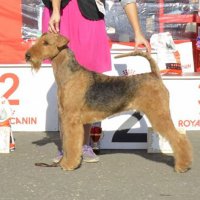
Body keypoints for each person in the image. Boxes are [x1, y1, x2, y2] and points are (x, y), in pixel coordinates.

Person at [41, 0, 151, 163]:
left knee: (88, 87)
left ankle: (84, 145)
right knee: (66, 87)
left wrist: (138, 32)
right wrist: (56, 10)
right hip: (60, 15)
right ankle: (67, 147)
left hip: (89, 16)